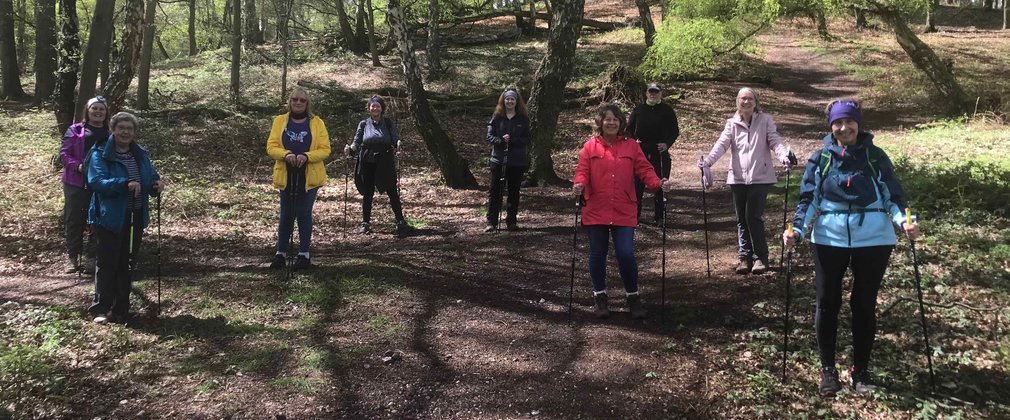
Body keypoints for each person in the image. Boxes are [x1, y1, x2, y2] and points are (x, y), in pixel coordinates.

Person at [783, 99, 919, 397]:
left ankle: (861, 370)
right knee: (827, 303)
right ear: (831, 127)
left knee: (863, 304)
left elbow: (893, 196)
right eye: (838, 123)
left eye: (849, 122)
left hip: (874, 239)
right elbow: (808, 199)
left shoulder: (875, 157)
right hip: (829, 240)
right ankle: (828, 370)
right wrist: (797, 230)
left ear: (859, 123)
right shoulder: (821, 159)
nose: (844, 128)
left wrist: (906, 222)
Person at [572, 103, 674, 319]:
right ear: (601, 122)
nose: (611, 123)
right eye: (607, 119)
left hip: (624, 208)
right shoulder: (589, 147)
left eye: (615, 119)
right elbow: (582, 171)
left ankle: (633, 297)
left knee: (626, 253)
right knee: (597, 254)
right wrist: (578, 185)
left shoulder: (631, 146)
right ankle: (600, 298)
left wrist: (657, 183)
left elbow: (645, 169)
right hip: (596, 207)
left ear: (621, 123)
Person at [698, 87, 792, 275]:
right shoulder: (731, 123)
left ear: (755, 101)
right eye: (743, 99)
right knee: (741, 219)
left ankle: (760, 258)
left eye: (749, 98)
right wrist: (707, 161)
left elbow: (775, 141)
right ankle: (744, 258)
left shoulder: (765, 121)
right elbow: (722, 144)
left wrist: (784, 156)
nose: (746, 102)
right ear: (737, 102)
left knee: (753, 217)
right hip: (738, 178)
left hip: (760, 177)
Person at [87, 112, 165, 324]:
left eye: (129, 129)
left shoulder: (139, 154)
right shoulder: (100, 153)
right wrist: (123, 184)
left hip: (135, 216)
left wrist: (156, 185)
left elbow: (151, 176)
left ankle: (121, 309)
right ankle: (101, 309)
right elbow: (96, 181)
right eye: (121, 128)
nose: (125, 132)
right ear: (112, 130)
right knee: (107, 263)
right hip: (109, 217)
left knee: (127, 263)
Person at [266, 87, 331, 270]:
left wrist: (307, 156)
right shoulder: (280, 121)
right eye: (295, 99)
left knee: (303, 213)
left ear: (307, 103)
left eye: (302, 100)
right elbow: (271, 146)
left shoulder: (317, 123)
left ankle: (304, 255)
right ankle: (281, 253)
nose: (298, 103)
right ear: (290, 101)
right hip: (286, 173)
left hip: (308, 175)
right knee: (286, 214)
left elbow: (325, 149)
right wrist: (285, 154)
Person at [345, 95, 414, 236]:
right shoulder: (363, 124)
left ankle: (400, 222)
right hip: (368, 160)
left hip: (385, 160)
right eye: (372, 105)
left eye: (377, 105)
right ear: (369, 108)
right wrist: (350, 149)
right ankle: (365, 224)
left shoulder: (388, 123)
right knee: (368, 192)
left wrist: (398, 148)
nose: (375, 108)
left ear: (382, 108)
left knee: (392, 191)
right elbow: (357, 142)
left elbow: (395, 140)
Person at [59, 96, 110, 274]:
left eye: (101, 109)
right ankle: (72, 257)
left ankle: (91, 257)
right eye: (94, 108)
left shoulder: (110, 133)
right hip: (75, 181)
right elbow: (64, 154)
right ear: (87, 111)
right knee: (73, 218)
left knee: (97, 218)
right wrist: (78, 166)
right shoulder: (75, 130)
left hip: (100, 183)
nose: (97, 112)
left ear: (106, 112)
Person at [628, 82, 679, 225]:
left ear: (660, 93)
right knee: (637, 185)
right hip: (641, 151)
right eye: (651, 91)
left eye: (656, 92)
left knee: (661, 185)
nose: (653, 94)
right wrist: (634, 142)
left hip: (660, 151)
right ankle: (635, 216)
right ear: (646, 93)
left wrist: (667, 144)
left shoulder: (667, 110)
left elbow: (675, 131)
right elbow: (628, 129)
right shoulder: (638, 109)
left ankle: (659, 217)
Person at [484, 88, 531, 232]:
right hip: (498, 160)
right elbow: (489, 135)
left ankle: (511, 221)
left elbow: (527, 138)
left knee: (513, 191)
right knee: (495, 191)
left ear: (517, 102)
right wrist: (500, 141)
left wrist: (513, 140)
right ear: (503, 101)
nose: (510, 101)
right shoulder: (497, 117)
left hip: (517, 161)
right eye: (507, 99)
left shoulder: (523, 118)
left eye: (512, 99)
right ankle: (491, 222)